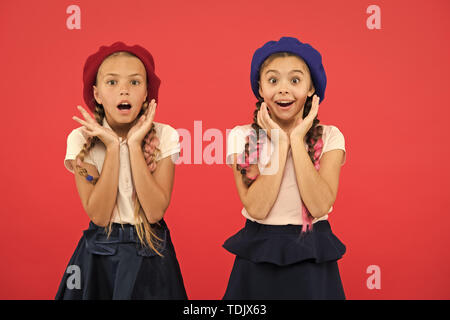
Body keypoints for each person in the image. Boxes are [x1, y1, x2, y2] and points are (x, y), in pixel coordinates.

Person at [55, 41, 187, 300]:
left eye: (134, 83)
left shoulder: (166, 135)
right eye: (112, 82)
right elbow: (100, 215)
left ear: (147, 92)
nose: (124, 91)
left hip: (151, 253)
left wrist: (134, 145)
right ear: (97, 94)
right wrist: (114, 148)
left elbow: (154, 211)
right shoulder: (80, 139)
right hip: (99, 256)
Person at [223, 36, 347, 299]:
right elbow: (256, 207)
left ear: (311, 87)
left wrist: (296, 139)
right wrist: (280, 144)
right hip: (258, 251)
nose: (283, 89)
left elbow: (319, 206)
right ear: (260, 88)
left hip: (312, 251)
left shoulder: (331, 136)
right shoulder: (242, 137)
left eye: (295, 80)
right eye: (272, 80)